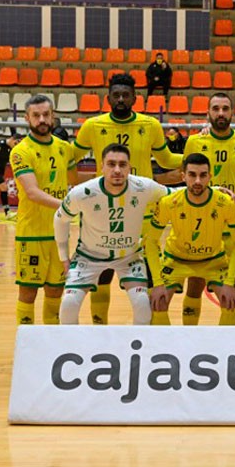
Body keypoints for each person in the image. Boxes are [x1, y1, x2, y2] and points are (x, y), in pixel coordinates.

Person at [72, 72, 183, 325]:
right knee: (101, 274)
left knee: (150, 274)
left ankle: (153, 333)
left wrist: (197, 151)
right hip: (102, 212)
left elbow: (166, 160)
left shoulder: (150, 125)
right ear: (108, 98)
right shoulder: (92, 126)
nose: (121, 99)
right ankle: (100, 330)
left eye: (126, 95)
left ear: (135, 98)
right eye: (116, 95)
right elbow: (70, 157)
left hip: (142, 212)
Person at [55, 144, 169, 325]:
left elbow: (175, 194)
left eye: (122, 165)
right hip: (89, 256)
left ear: (129, 167)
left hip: (129, 256)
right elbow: (60, 218)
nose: (117, 170)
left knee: (142, 304)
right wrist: (64, 258)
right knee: (68, 304)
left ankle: (138, 349)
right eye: (111, 164)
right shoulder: (83, 192)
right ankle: (72, 350)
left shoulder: (143, 186)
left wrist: (216, 190)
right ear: (101, 166)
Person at [182, 92, 235, 324]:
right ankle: (190, 336)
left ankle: (227, 339)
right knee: (196, 281)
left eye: (225, 109)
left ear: (232, 113)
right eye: (216, 108)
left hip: (234, 222)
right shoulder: (195, 142)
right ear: (208, 113)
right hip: (202, 220)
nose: (221, 113)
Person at [145, 153, 235, 325]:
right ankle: (166, 349)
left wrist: (229, 283)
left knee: (230, 304)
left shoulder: (225, 203)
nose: (198, 181)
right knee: (157, 303)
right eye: (192, 175)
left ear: (210, 176)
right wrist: (157, 282)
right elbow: (150, 242)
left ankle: (225, 351)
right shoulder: (169, 202)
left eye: (203, 175)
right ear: (183, 176)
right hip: (176, 260)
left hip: (213, 260)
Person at [9, 95, 72, 324]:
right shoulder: (20, 151)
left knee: (56, 290)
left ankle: (50, 345)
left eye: (46, 114)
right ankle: (25, 344)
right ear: (27, 118)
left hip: (59, 234)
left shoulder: (64, 148)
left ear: (53, 116)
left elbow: (78, 179)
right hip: (31, 234)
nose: (42, 119)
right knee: (28, 292)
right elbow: (33, 193)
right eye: (36, 115)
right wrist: (70, 207)